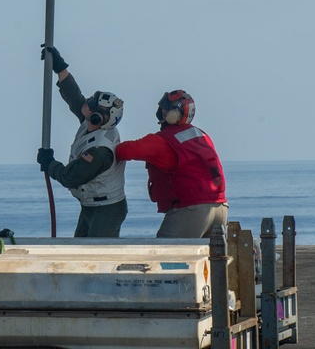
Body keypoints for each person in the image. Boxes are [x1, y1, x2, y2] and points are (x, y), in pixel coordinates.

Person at [35, 44, 127, 237]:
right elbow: (74, 97)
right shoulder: (90, 123)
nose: (87, 103)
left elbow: (71, 177)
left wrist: (49, 163)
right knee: (80, 249)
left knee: (96, 257)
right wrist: (60, 68)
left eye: (92, 104)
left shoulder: (100, 150)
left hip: (106, 209)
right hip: (91, 204)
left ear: (97, 118)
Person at [114, 89, 228, 239]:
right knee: (209, 259)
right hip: (220, 208)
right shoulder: (200, 134)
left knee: (165, 256)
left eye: (164, 109)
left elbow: (124, 151)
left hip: (191, 209)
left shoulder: (164, 141)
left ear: (172, 114)